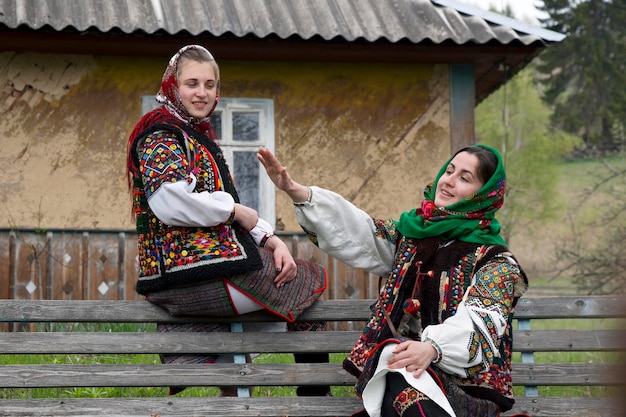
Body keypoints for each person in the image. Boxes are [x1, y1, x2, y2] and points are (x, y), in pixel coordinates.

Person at [257, 144, 529, 416]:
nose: (448, 181)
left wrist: (433, 349)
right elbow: (360, 235)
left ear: (483, 195)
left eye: (464, 178)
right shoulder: (413, 236)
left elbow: (481, 325)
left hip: (466, 388)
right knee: (396, 372)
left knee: (399, 379)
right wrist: (298, 192)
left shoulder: (496, 262)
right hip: (405, 367)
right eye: (449, 170)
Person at [125, 44, 330, 397]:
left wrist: (270, 239)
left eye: (209, 84)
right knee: (305, 285)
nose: (201, 93)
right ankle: (317, 399)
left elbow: (227, 209)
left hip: (196, 274)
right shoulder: (162, 134)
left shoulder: (194, 135)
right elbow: (169, 201)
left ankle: (235, 397)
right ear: (173, 84)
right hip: (187, 277)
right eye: (192, 83)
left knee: (242, 339)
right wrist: (236, 212)